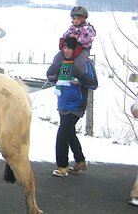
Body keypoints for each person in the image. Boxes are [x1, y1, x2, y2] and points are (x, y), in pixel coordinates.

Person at [47, 37, 97, 177]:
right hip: (63, 103)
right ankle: (80, 161)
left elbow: (93, 84)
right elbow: (51, 77)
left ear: (75, 49)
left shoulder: (84, 64)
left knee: (62, 134)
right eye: (65, 48)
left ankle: (62, 167)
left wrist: (79, 75)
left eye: (69, 48)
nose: (66, 50)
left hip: (76, 105)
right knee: (69, 133)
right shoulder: (62, 61)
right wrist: (53, 69)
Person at [50, 6, 96, 81]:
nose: (76, 20)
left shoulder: (89, 28)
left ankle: (80, 79)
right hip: (72, 47)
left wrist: (78, 39)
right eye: (74, 18)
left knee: (79, 63)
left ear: (83, 18)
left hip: (83, 49)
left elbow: (90, 38)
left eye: (78, 18)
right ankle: (56, 74)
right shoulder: (72, 27)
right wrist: (69, 35)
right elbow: (64, 35)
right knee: (57, 58)